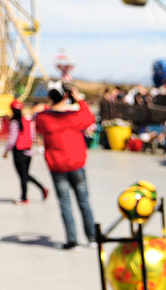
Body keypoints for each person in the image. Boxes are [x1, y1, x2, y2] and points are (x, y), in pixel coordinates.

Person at [35, 83, 97, 250]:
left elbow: (38, 126)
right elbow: (90, 119)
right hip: (77, 164)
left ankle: (72, 240)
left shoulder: (43, 118)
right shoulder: (74, 117)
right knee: (84, 201)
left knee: (65, 203)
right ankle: (92, 238)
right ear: (66, 96)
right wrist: (79, 99)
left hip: (57, 166)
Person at [2, 100, 49, 205]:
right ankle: (41, 189)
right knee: (25, 174)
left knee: (23, 175)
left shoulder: (14, 123)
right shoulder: (28, 121)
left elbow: (12, 139)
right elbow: (32, 136)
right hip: (28, 151)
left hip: (19, 151)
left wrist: (7, 151)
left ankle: (25, 197)